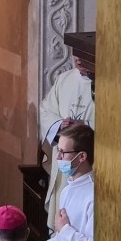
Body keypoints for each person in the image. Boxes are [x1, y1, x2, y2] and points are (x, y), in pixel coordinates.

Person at [39, 56, 94, 230]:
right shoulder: (64, 79)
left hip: (90, 168)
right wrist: (58, 125)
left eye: (82, 54)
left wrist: (87, 128)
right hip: (65, 162)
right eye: (74, 55)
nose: (78, 60)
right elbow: (46, 110)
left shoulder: (111, 83)